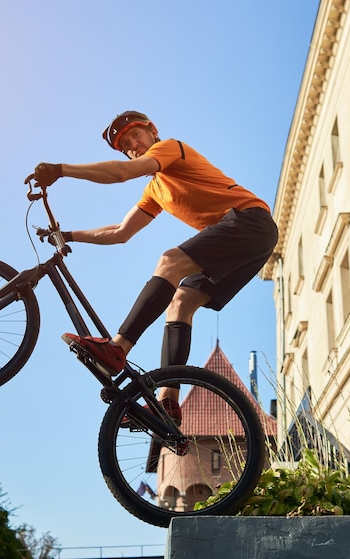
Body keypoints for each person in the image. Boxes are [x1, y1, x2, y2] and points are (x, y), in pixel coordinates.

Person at [30, 111, 278, 422]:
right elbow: (120, 232)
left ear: (152, 132)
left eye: (136, 135)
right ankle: (167, 403)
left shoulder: (171, 148)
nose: (133, 144)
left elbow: (122, 173)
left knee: (170, 261)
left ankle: (117, 348)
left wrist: (60, 170)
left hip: (250, 220)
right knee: (180, 303)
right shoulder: (155, 190)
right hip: (249, 242)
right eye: (126, 145)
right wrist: (67, 235)